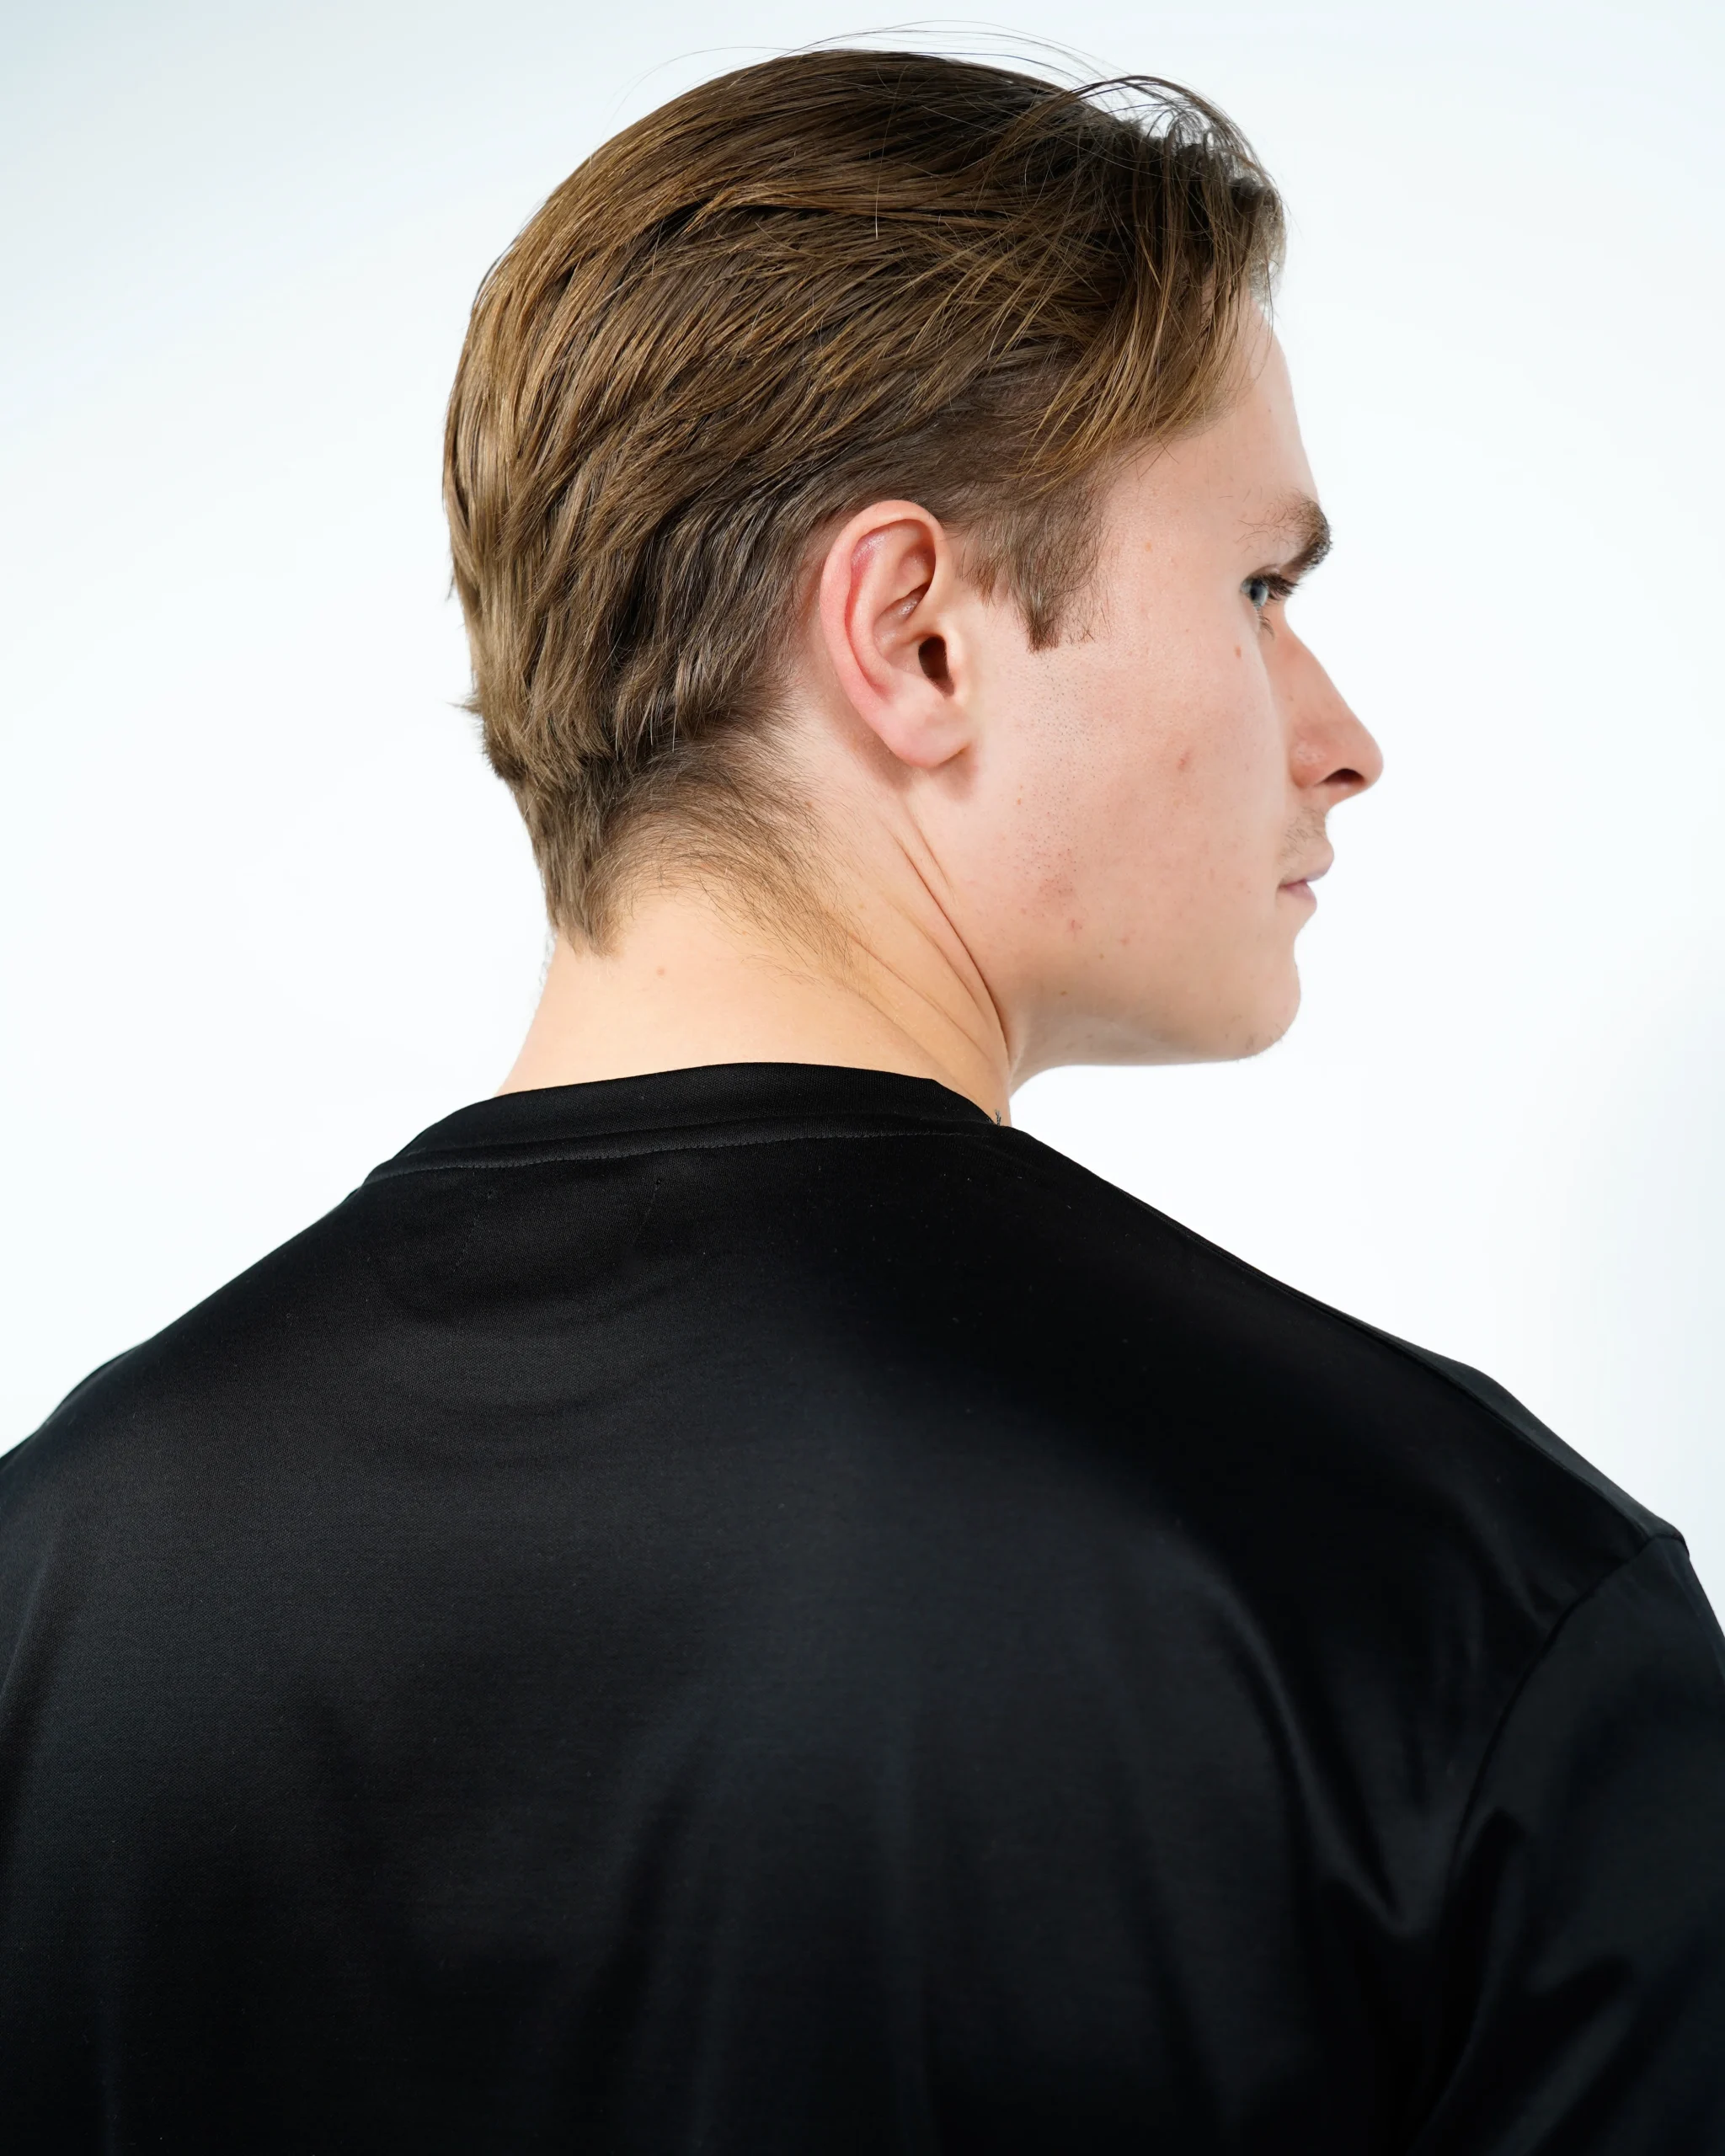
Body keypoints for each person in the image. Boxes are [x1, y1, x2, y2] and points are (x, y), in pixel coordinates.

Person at [2, 47, 1720, 2153]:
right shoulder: (1453, 1607)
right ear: (914, 638)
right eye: (1259, 589)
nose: (1341, 734)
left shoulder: (50, 1582)